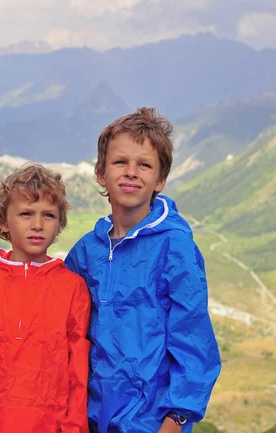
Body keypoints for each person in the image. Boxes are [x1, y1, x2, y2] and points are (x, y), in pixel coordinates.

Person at [65, 107, 221, 433]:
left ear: (160, 179)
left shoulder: (175, 248)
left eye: (145, 165)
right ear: (100, 173)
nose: (131, 172)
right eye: (120, 162)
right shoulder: (85, 252)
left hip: (152, 423)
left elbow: (193, 342)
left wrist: (176, 419)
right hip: (89, 418)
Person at [0, 164, 91, 433]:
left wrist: (74, 427)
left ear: (59, 224)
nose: (37, 225)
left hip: (51, 425)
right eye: (25, 214)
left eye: (48, 215)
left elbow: (78, 370)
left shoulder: (73, 288)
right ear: (3, 222)